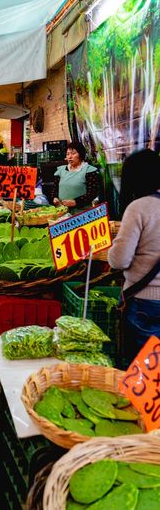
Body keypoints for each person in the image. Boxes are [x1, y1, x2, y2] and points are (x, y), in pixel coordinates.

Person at [108, 149, 160, 360]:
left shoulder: (139, 208)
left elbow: (119, 259)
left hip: (143, 302)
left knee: (142, 372)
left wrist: (112, 250)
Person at [52, 141, 100, 213]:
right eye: (68, 154)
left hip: (82, 213)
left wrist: (75, 202)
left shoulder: (89, 170)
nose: (70, 157)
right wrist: (55, 198)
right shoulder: (60, 170)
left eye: (73, 153)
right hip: (62, 212)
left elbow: (92, 193)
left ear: (81, 155)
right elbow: (55, 189)